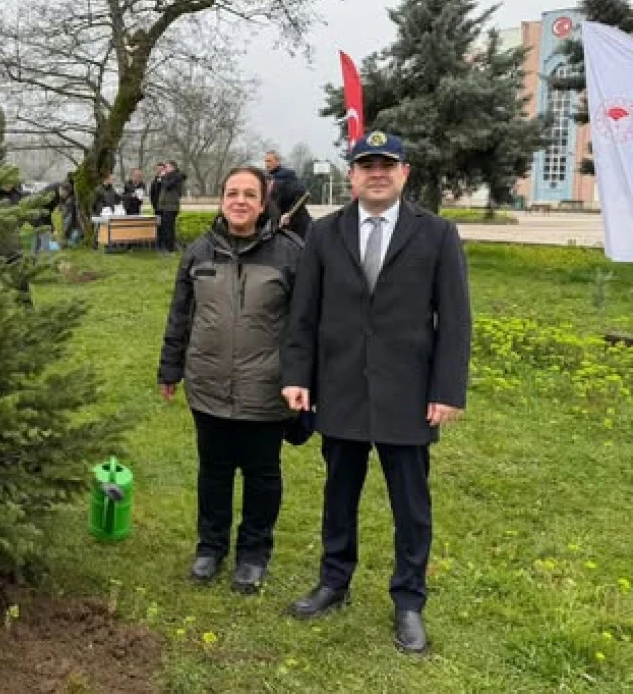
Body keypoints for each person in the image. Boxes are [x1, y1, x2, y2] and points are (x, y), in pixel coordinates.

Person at [280, 131, 471, 655]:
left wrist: (447, 389)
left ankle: (409, 600)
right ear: (353, 175)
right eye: (367, 164)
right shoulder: (324, 233)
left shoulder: (436, 234)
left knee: (411, 504)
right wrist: (297, 375)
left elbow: (455, 321)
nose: (378, 172)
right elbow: (304, 314)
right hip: (339, 388)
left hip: (408, 395)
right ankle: (334, 582)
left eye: (388, 164)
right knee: (339, 493)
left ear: (405, 174)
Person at [158, 166, 303, 593]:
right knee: (214, 470)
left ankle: (254, 554)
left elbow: (304, 327)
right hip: (208, 384)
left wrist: (303, 378)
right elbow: (180, 315)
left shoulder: (290, 254)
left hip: (266, 387)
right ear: (223, 199)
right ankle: (211, 547)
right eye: (232, 193)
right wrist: (170, 368)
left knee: (262, 475)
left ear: (263, 202)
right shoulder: (199, 251)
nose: (239, 201)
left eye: (249, 194)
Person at [265, 150, 312, 240]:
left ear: (277, 161)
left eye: (269, 161)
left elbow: (304, 194)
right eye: (266, 161)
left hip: (297, 225)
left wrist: (289, 214)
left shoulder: (287, 178)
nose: (267, 164)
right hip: (281, 225)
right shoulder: (269, 179)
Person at [156, 161, 186, 253]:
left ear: (173, 167)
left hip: (171, 206)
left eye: (167, 167)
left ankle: (169, 249)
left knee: (168, 228)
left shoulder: (176, 177)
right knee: (166, 227)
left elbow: (167, 185)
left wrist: (163, 177)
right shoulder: (170, 177)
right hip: (166, 206)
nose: (165, 169)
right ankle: (169, 247)